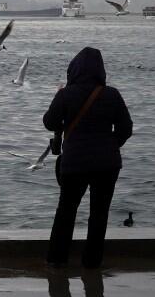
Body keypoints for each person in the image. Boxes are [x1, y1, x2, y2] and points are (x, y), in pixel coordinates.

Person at [43, 47, 132, 268]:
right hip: (107, 164)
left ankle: (57, 260)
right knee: (99, 214)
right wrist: (111, 144)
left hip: (74, 163)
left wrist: (59, 97)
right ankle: (92, 262)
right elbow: (126, 127)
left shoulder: (66, 94)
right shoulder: (112, 94)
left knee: (66, 211)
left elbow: (49, 123)